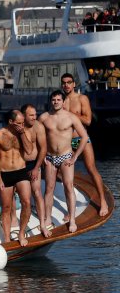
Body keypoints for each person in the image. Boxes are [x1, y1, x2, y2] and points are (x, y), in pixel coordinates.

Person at [39, 90, 89, 233]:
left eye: (58, 100)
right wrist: (41, 156)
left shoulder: (71, 117)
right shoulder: (44, 117)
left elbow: (84, 137)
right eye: (53, 100)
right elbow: (36, 136)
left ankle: (72, 219)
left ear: (63, 101)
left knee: (68, 186)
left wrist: (75, 156)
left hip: (66, 156)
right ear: (50, 101)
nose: (56, 102)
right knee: (49, 188)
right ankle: (47, 218)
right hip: (49, 157)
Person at [61, 73, 109, 217]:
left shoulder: (81, 99)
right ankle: (71, 208)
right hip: (66, 141)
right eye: (64, 83)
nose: (66, 85)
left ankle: (103, 201)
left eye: (69, 82)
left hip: (81, 139)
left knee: (91, 168)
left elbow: (88, 120)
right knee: (64, 173)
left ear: (74, 84)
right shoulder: (59, 100)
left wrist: (68, 113)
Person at [0, 110, 33, 246]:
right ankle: (8, 238)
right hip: (5, 174)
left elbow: (29, 150)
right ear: (10, 122)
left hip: (21, 171)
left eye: (23, 123)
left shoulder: (23, 132)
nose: (22, 125)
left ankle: (21, 233)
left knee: (26, 202)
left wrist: (22, 133)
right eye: (19, 123)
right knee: (6, 207)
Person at [20, 104, 51, 238]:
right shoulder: (17, 126)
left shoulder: (38, 126)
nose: (34, 117)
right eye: (31, 115)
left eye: (35, 114)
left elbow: (43, 148)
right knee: (17, 194)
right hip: (19, 165)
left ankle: (43, 225)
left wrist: (37, 167)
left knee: (37, 191)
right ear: (23, 116)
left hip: (33, 164)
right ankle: (16, 223)